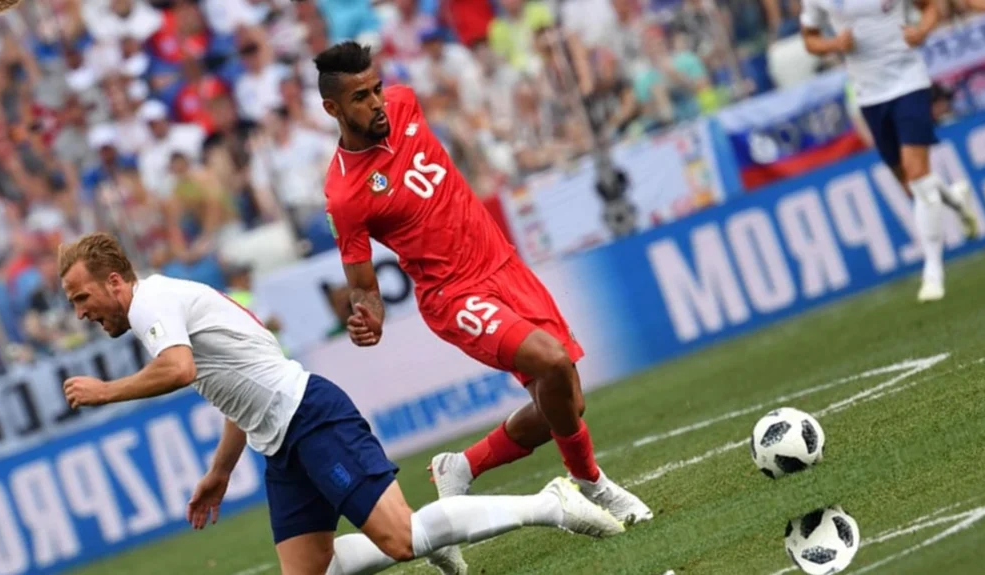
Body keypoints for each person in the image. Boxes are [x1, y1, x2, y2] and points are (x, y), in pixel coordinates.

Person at [57, 232, 624, 575]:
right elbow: (235, 389)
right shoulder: (157, 307)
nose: (81, 312)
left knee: (400, 539)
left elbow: (179, 371)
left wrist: (106, 391)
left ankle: (548, 503)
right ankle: (438, 535)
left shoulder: (151, 302)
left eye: (82, 298)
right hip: (279, 440)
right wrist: (220, 471)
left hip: (308, 416)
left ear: (114, 281)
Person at [315, 41, 651, 570]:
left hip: (504, 265)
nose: (378, 102)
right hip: (454, 294)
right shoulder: (344, 194)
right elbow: (362, 286)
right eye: (361, 97)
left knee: (566, 403)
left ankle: (461, 467)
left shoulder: (405, 104)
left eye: (377, 88)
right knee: (553, 361)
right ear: (333, 108)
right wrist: (368, 315)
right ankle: (594, 485)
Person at [800, 0, 978, 302]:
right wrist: (834, 44)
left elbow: (931, 6)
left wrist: (921, 31)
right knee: (910, 184)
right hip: (868, 94)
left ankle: (933, 270)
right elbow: (809, 39)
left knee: (918, 175)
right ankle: (956, 201)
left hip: (909, 81)